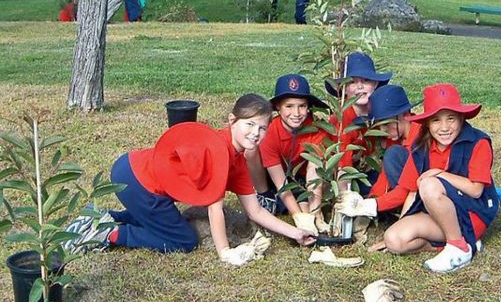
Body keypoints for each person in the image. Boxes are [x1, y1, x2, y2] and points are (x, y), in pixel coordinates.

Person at [66, 94, 316, 265]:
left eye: (262, 128)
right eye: (249, 125)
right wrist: (225, 252)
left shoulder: (239, 162)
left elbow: (255, 211)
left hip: (131, 168)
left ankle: (101, 217)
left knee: (161, 220)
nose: (256, 133)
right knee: (183, 240)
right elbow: (215, 209)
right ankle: (108, 233)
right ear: (232, 121)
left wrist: (296, 233)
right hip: (138, 180)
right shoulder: (218, 149)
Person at [337, 84, 499, 273]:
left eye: (451, 119)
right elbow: (411, 193)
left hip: (472, 215)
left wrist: (439, 173)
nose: (444, 127)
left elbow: (476, 190)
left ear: (462, 118)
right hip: (441, 216)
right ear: (427, 123)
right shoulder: (421, 147)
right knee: (394, 240)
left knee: (428, 184)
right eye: (436, 120)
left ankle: (459, 247)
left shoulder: (478, 143)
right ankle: (461, 244)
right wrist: (400, 224)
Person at [246, 74, 328, 234]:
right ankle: (265, 195)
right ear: (278, 106)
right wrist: (297, 216)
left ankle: (312, 214)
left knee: (306, 207)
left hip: (301, 177)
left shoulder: (317, 129)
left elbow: (314, 171)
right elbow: (281, 183)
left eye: (302, 106)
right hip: (274, 176)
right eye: (289, 106)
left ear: (308, 106)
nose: (296, 113)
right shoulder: (270, 132)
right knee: (251, 152)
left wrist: (316, 211)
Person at [326, 52, 392, 194]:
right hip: (343, 174)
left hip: (368, 168)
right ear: (343, 88)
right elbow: (343, 167)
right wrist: (345, 198)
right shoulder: (342, 120)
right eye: (352, 82)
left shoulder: (379, 111)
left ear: (375, 84)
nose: (360, 86)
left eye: (366, 80)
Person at [362, 84, 422, 198]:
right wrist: (372, 197)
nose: (382, 130)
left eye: (386, 124)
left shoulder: (422, 137)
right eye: (379, 125)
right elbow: (384, 178)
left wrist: (376, 204)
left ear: (405, 115)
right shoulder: (396, 139)